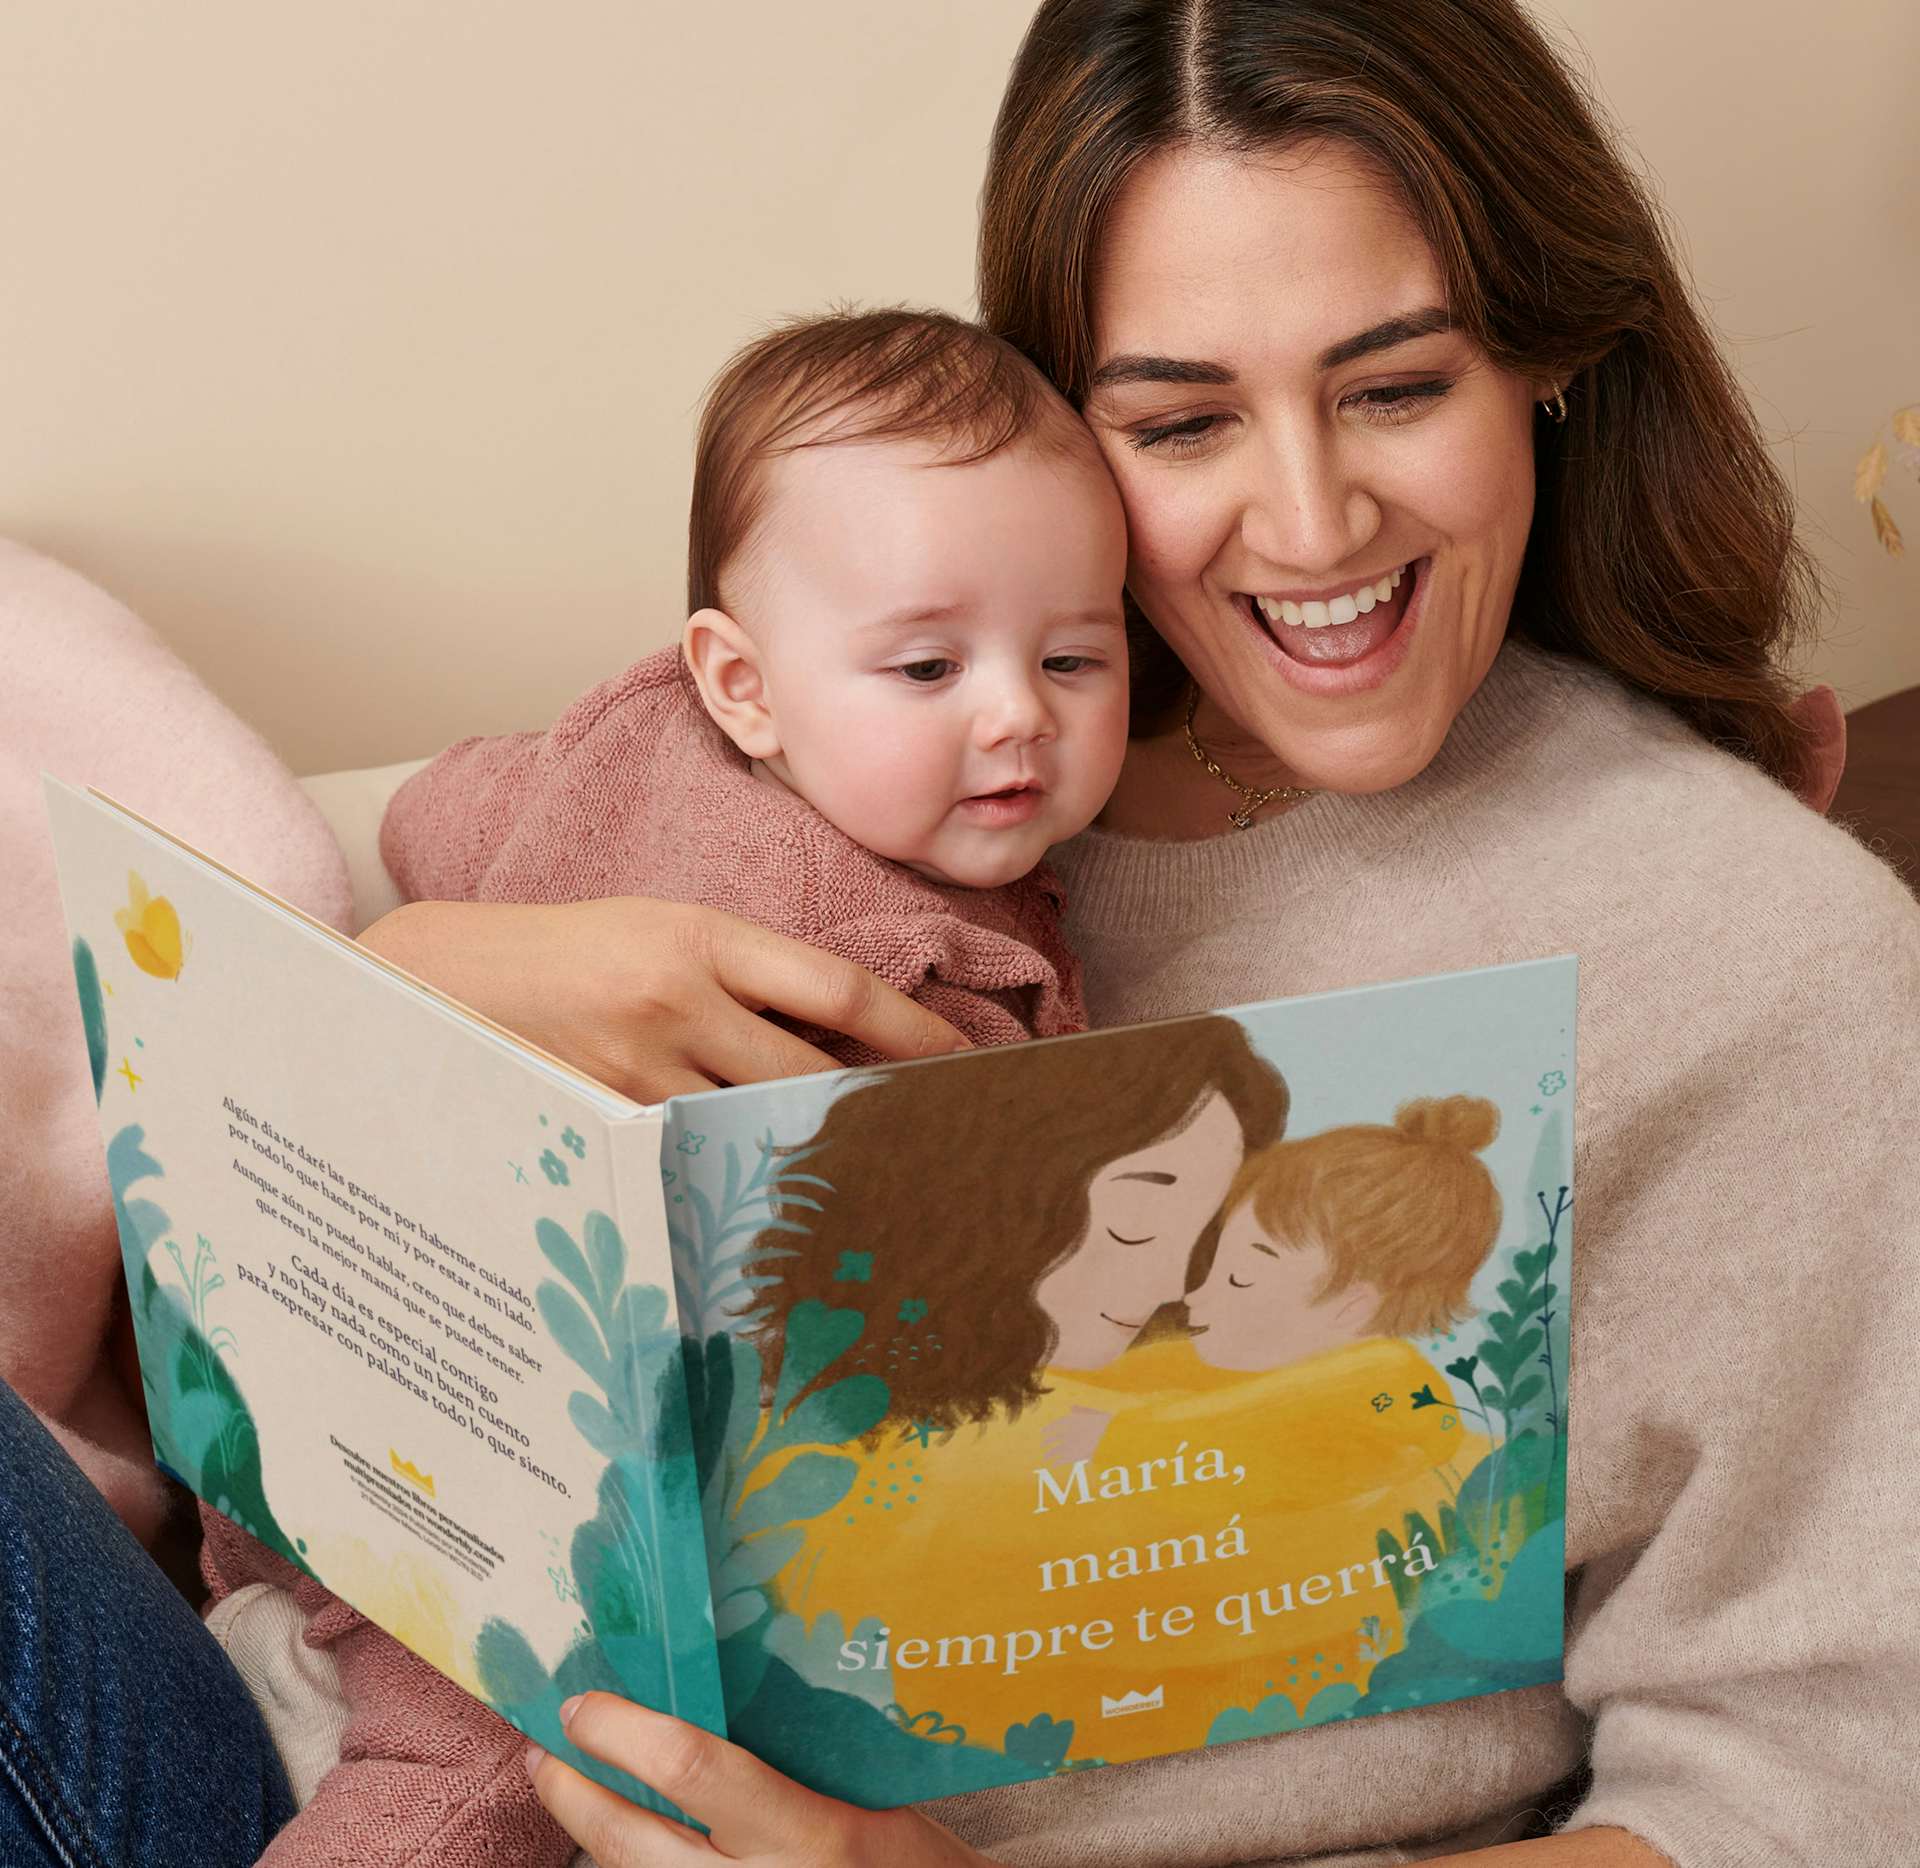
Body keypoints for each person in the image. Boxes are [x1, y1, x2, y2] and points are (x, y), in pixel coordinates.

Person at [351, 4, 1917, 1864]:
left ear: (1547, 360)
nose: (1314, 520)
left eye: (1398, 387)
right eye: (1180, 421)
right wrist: (407, 994)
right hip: (405, 1747)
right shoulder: (922, 743)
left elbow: (1818, 1791)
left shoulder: (1758, 956)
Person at [379, 304, 1132, 1065]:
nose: (1020, 715)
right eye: (928, 668)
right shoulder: (890, 961)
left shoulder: (622, 732)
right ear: (743, 686)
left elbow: (422, 815)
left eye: (1069, 661)